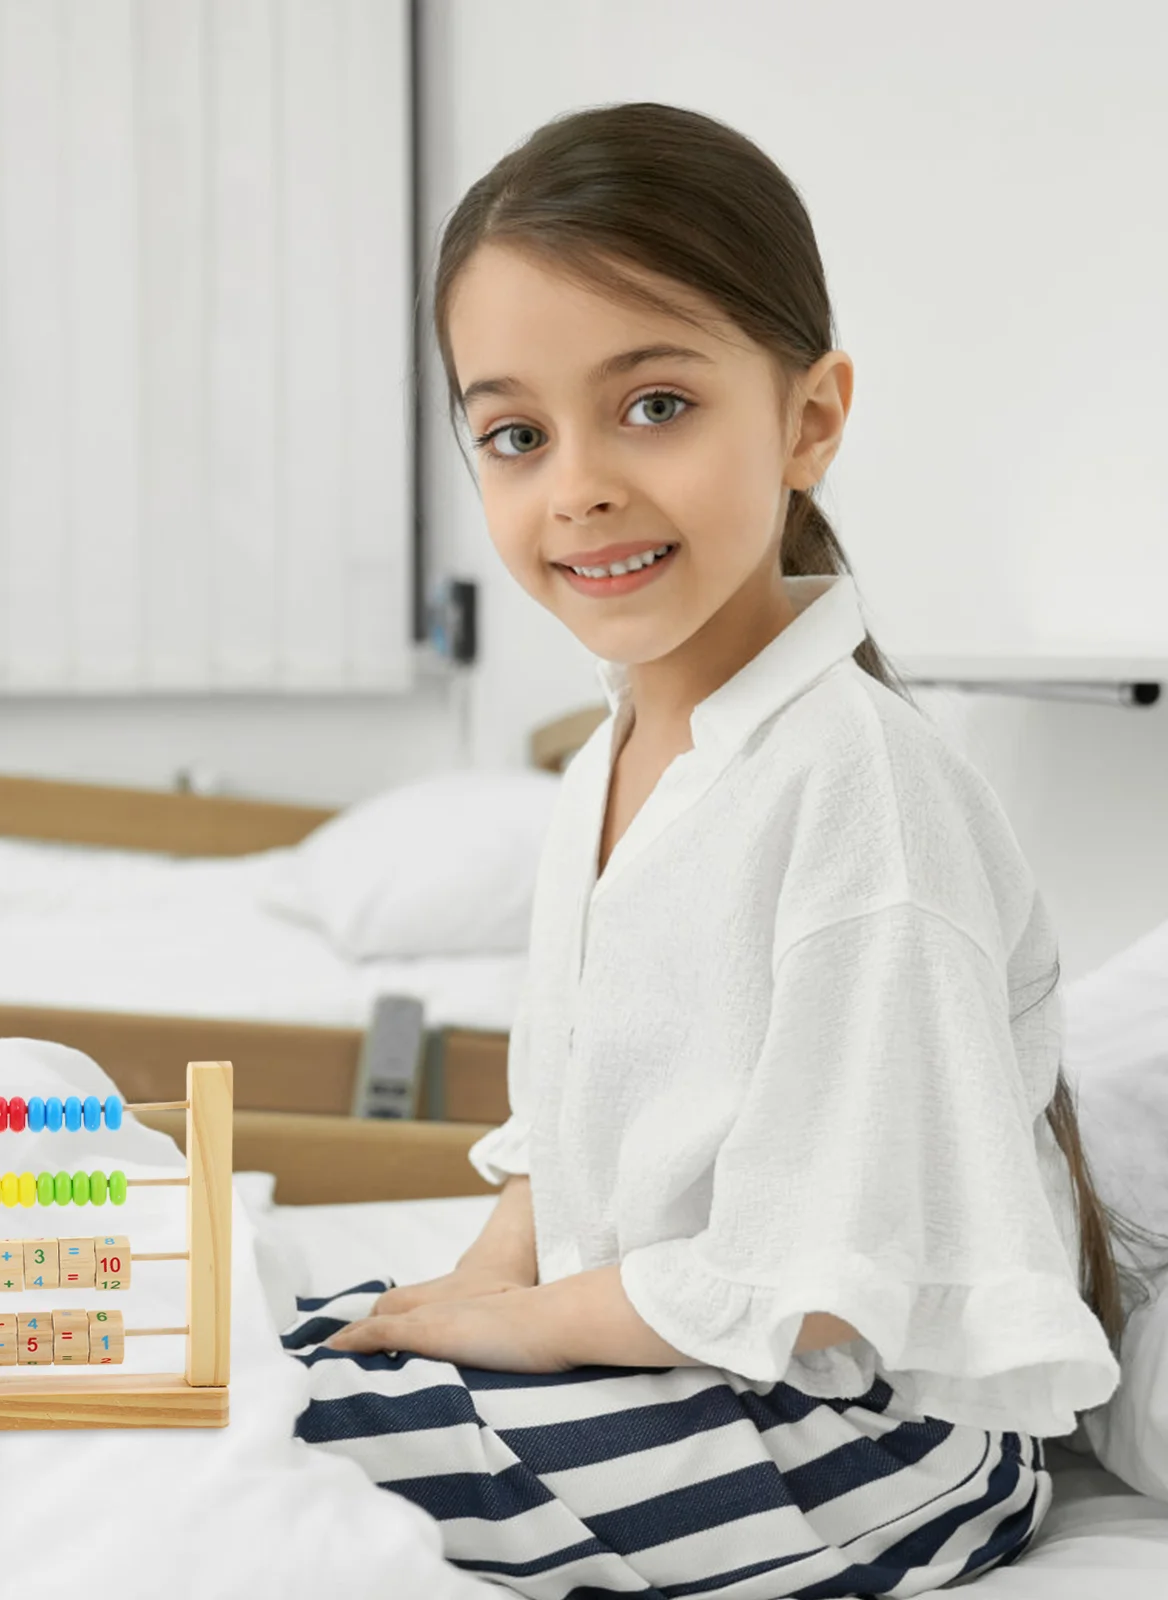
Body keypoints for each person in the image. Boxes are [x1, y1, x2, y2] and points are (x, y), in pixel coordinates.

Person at [281, 102, 1166, 1598]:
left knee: (287, 1456)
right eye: (515, 433)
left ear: (808, 418)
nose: (577, 485)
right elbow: (580, 1141)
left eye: (655, 406)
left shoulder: (862, 792)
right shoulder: (620, 756)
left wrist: (520, 1329)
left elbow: (830, 1273)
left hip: (876, 1440)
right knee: (259, 1362)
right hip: (686, 1348)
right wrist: (486, 1282)